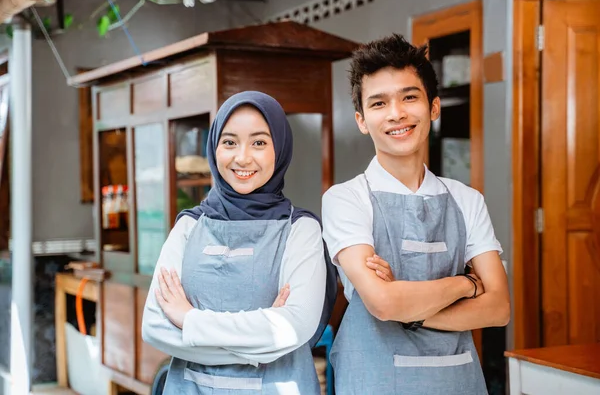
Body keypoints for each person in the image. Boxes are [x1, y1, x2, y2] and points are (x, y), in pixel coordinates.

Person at [321, 34, 510, 395]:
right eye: (379, 103)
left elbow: (499, 307)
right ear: (361, 120)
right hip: (373, 380)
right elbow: (382, 302)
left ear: (434, 107)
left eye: (410, 97)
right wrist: (466, 285)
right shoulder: (346, 199)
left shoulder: (466, 199)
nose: (397, 114)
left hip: (457, 380)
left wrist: (409, 309)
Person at [142, 91, 337, 394]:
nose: (242, 157)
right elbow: (154, 327)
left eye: (259, 142)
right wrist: (264, 346)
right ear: (214, 148)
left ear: (280, 149)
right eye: (229, 142)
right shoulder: (189, 226)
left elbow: (294, 326)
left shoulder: (301, 229)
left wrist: (189, 320)